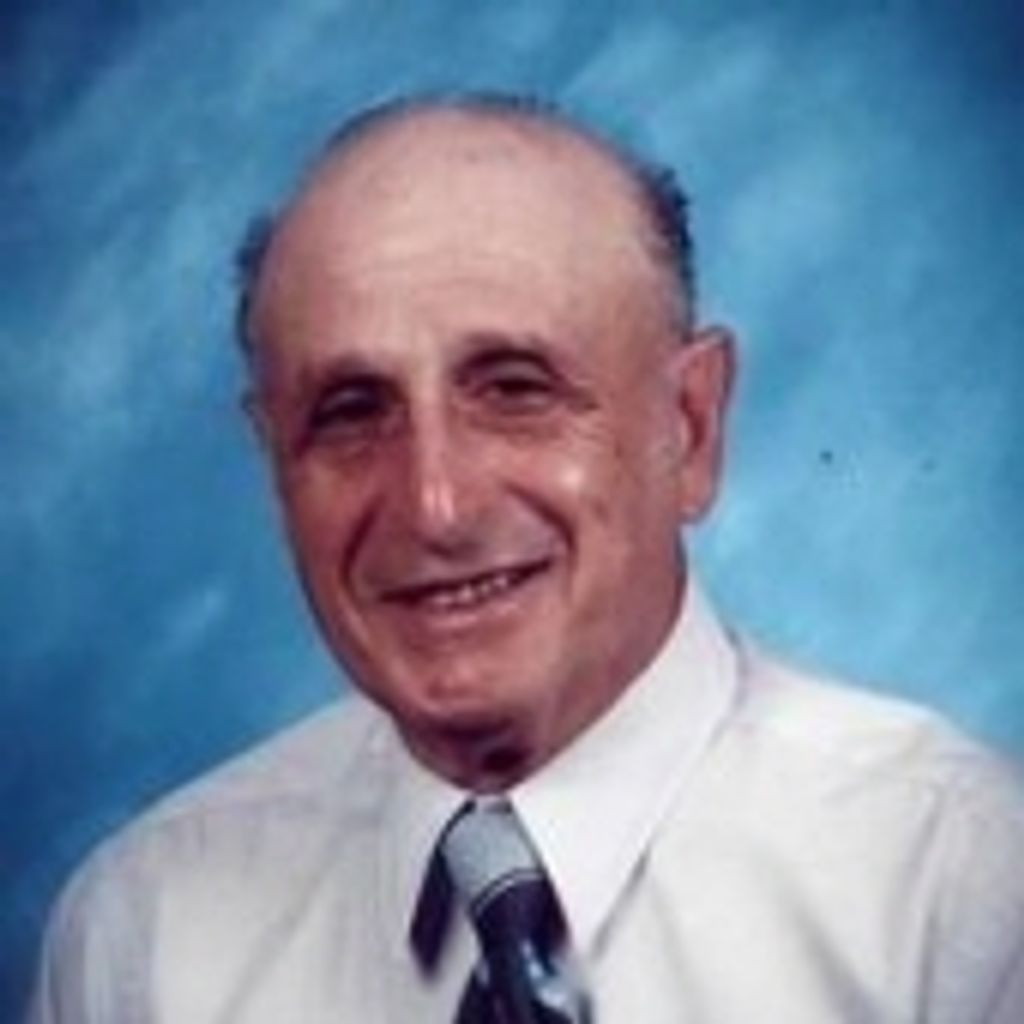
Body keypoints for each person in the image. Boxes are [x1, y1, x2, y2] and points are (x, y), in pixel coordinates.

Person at [28, 94, 1024, 1023]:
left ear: (689, 426)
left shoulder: (959, 892)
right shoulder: (145, 935)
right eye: (351, 412)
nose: (436, 504)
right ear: (274, 464)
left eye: (515, 389)